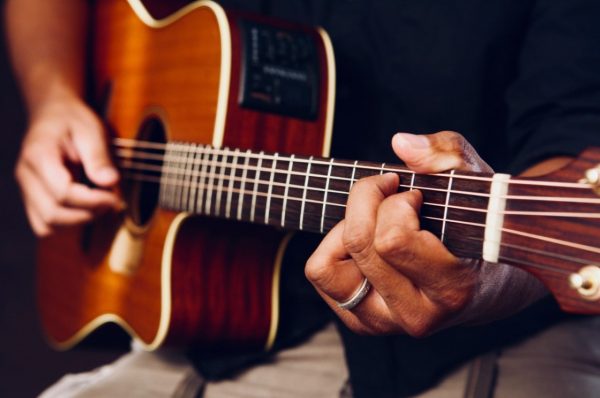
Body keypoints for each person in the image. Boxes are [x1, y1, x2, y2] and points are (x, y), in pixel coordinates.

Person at [7, 0, 600, 396]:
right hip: (205, 326)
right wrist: (53, 97)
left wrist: (493, 276)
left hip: (485, 336)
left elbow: (574, 140)